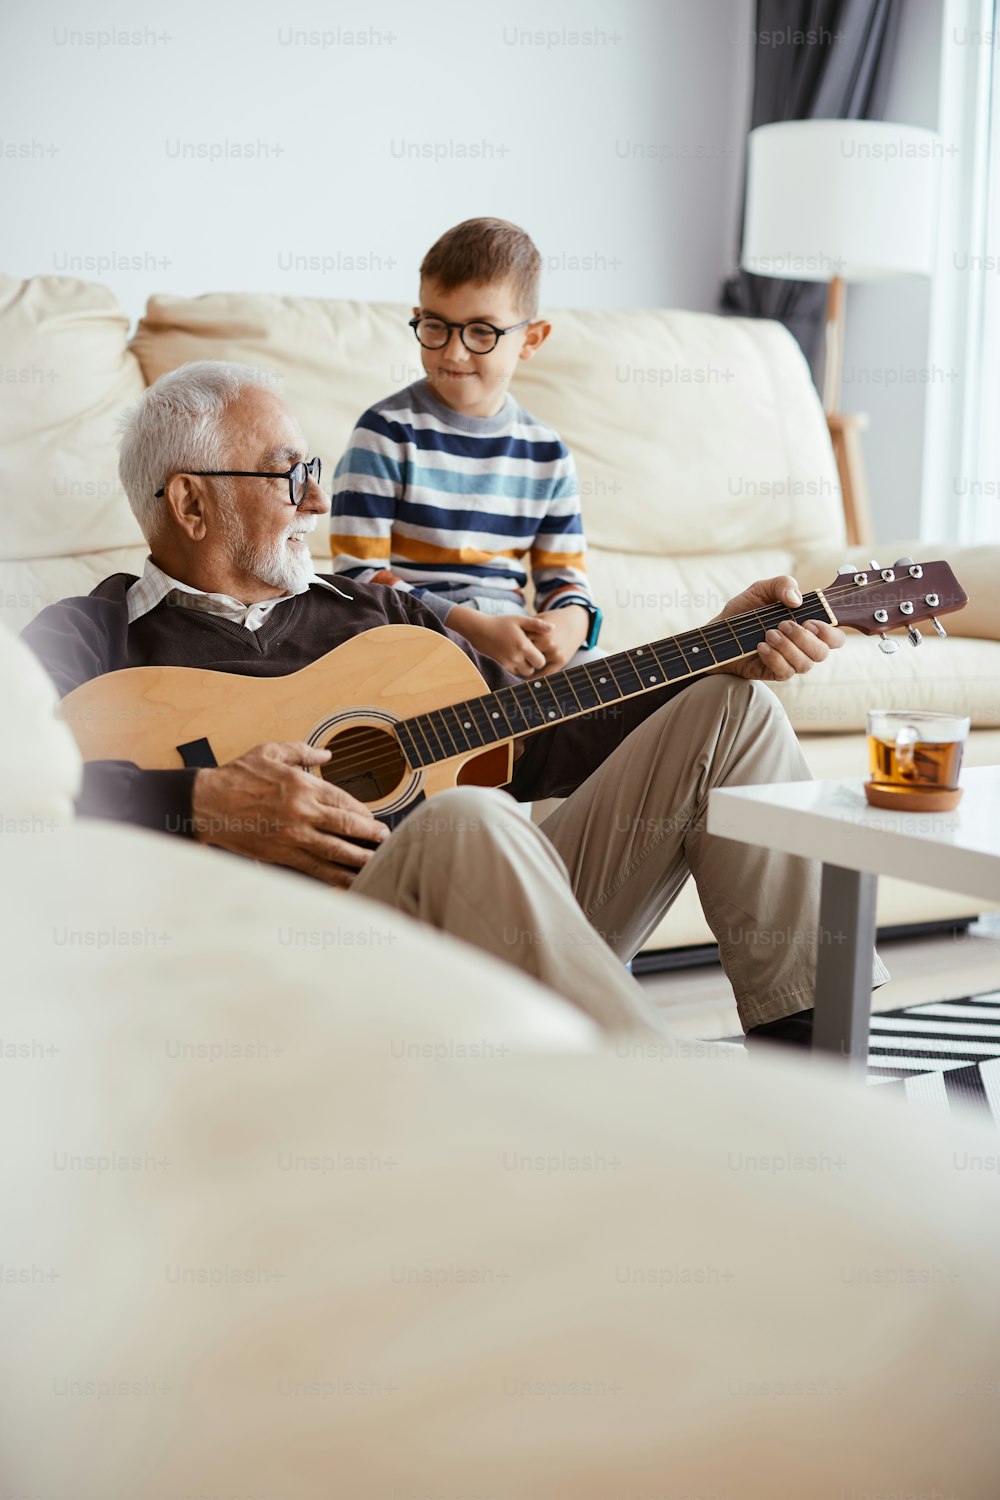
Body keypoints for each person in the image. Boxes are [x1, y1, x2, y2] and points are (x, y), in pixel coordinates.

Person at [22, 361, 887, 1042]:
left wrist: (716, 648)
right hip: (306, 973)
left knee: (731, 713)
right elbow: (17, 805)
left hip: (499, 929)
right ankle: (667, 1116)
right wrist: (203, 801)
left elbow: (548, 732)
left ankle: (819, 1070)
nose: (319, 500)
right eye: (291, 475)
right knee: (466, 820)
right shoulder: (87, 641)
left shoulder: (378, 610)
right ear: (191, 502)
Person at [329, 218, 601, 679]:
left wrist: (571, 621)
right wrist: (472, 627)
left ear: (530, 340)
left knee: (599, 679)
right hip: (416, 632)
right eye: (436, 326)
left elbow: (565, 580)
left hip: (514, 639)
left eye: (481, 332)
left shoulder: (547, 456)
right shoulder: (384, 434)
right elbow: (357, 580)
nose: (453, 353)